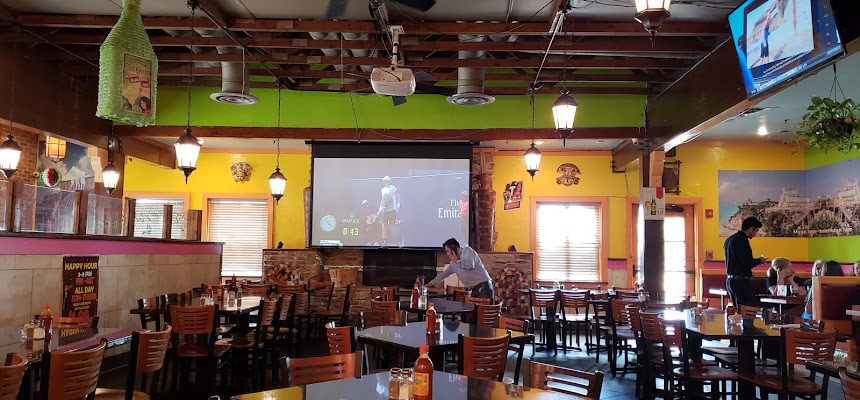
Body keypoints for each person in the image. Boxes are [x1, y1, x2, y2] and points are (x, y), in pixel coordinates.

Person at [426, 238, 493, 299]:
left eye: (448, 251)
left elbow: (470, 265)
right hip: (474, 289)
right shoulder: (453, 264)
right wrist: (428, 285)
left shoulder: (467, 251)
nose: (447, 254)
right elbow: (442, 275)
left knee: (481, 308)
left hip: (484, 287)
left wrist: (457, 261)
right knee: (473, 308)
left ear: (454, 248)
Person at [724, 216, 767, 306]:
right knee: (744, 310)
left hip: (730, 280)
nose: (755, 234)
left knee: (736, 309)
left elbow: (735, 261)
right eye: (756, 231)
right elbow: (746, 262)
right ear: (751, 228)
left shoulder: (729, 239)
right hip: (740, 282)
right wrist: (760, 261)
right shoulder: (742, 240)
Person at [376, 176, 401, 246]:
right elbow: (383, 200)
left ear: (389, 181)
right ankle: (385, 241)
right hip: (385, 211)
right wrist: (379, 210)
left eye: (386, 181)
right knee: (384, 225)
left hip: (392, 210)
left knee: (392, 226)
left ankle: (399, 239)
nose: (385, 182)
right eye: (384, 181)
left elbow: (398, 197)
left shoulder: (393, 187)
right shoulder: (382, 190)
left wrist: (398, 206)